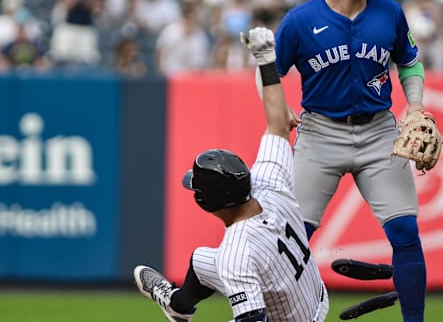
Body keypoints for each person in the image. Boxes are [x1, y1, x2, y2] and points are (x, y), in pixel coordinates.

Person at [272, 0, 429, 322]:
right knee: (293, 241)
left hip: (378, 133)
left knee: (406, 233)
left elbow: (408, 62)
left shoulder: (389, 11)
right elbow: (268, 73)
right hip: (321, 133)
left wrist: (416, 106)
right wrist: (279, 107)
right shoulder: (300, 21)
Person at [133, 26, 329, 322]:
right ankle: (177, 306)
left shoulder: (235, 252)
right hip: (314, 297)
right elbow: (277, 122)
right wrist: (265, 58)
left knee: (227, 270)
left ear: (206, 202)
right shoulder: (270, 182)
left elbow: (253, 320)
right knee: (201, 261)